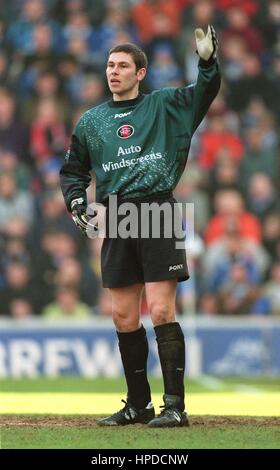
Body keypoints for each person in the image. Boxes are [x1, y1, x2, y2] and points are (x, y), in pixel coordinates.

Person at [60, 25, 220, 427]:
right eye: (110, 65)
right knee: (123, 318)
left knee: (162, 310)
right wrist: (77, 201)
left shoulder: (164, 105)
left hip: (157, 210)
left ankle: (175, 407)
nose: (113, 71)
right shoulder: (91, 121)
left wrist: (207, 63)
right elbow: (73, 171)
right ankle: (138, 404)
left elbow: (205, 91)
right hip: (116, 216)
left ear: (141, 73)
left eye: (122, 66)